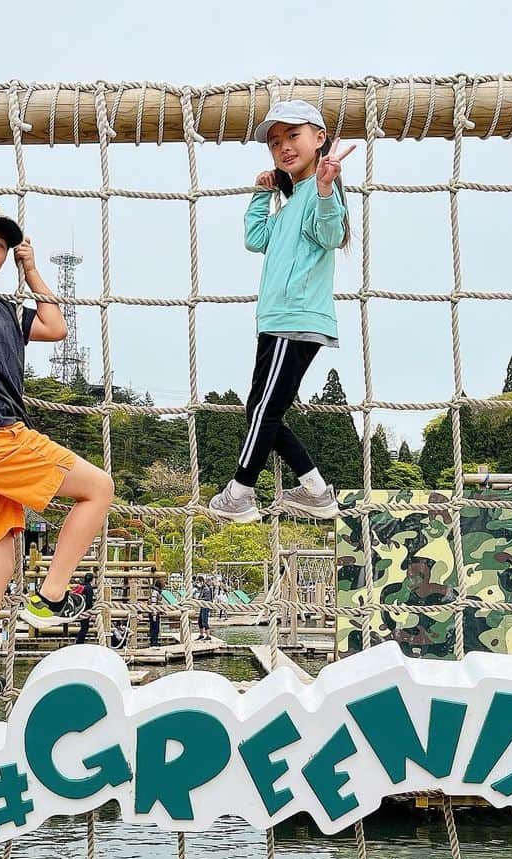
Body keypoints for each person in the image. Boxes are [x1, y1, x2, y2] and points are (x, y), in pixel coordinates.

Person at [0, 205, 114, 719]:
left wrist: (32, 271)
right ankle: (51, 595)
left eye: (0, 243)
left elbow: (56, 328)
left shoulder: (9, 308)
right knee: (99, 488)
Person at [208, 101, 353, 525]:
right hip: (275, 321)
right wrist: (262, 194)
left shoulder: (319, 194)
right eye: (275, 142)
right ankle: (316, 490)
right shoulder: (288, 202)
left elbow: (331, 234)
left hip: (297, 318)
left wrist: (327, 190)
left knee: (264, 411)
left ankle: (239, 492)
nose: (283, 147)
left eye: (293, 136)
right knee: (261, 410)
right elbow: (256, 238)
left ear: (319, 139)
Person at [74, 573, 96, 645]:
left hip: (79, 608)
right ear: (91, 580)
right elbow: (89, 601)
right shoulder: (89, 588)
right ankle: (79, 643)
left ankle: (79, 642)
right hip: (85, 609)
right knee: (84, 627)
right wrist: (91, 611)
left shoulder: (81, 586)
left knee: (83, 627)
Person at [194, 575, 215, 640]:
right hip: (202, 606)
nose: (198, 584)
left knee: (204, 621)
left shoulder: (206, 589)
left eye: (199, 582)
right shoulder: (202, 588)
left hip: (206, 606)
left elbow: (207, 598)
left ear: (202, 582)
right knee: (200, 621)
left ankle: (208, 635)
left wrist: (199, 599)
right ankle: (201, 634)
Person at [148, 577, 164, 648]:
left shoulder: (157, 592)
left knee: (155, 628)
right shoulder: (155, 592)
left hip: (156, 612)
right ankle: (153, 642)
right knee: (155, 628)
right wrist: (154, 614)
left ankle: (154, 641)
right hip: (154, 612)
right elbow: (153, 604)